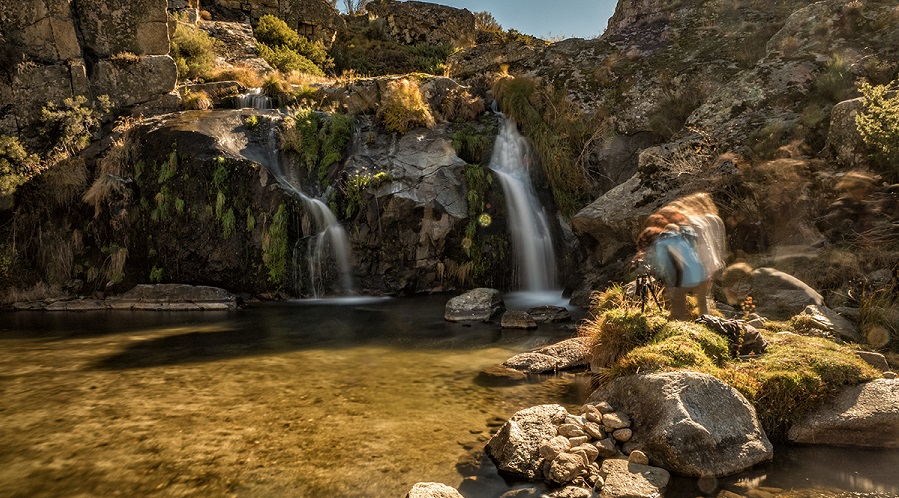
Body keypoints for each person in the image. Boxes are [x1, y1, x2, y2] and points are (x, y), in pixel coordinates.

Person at [635, 193, 726, 320]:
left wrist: (667, 283)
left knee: (677, 304)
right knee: (702, 303)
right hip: (701, 273)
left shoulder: (661, 244)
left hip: (686, 278)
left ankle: (680, 326)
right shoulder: (679, 235)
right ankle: (707, 323)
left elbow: (664, 267)